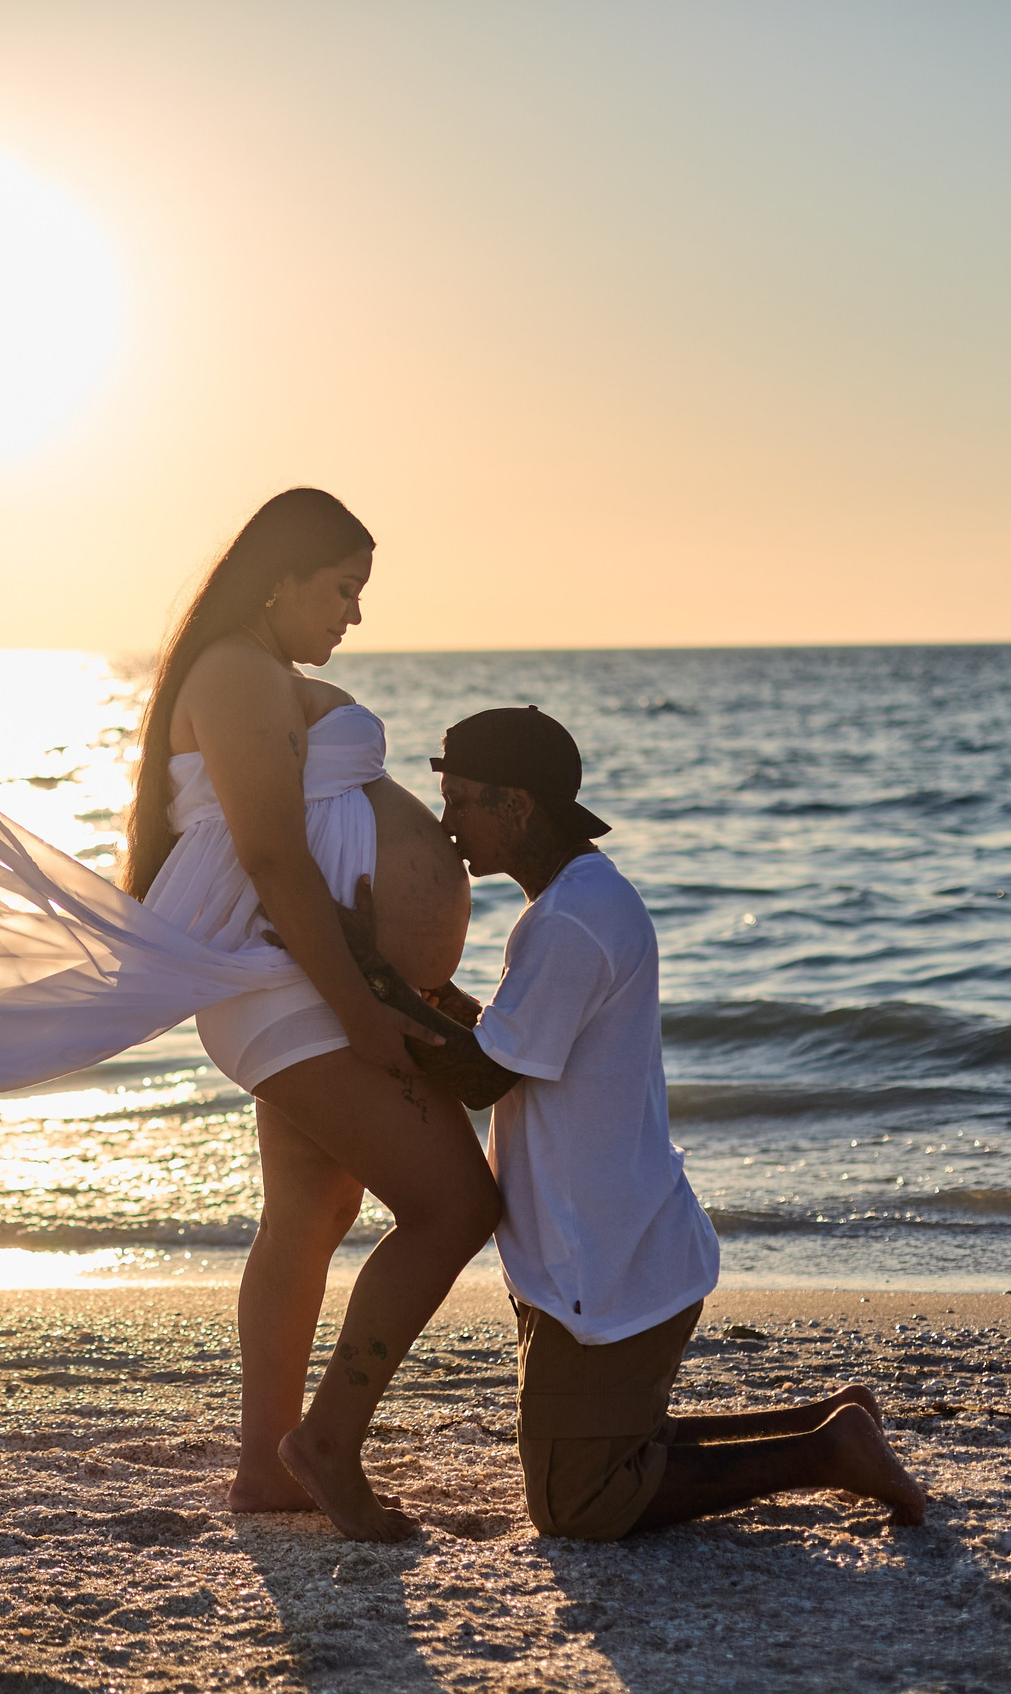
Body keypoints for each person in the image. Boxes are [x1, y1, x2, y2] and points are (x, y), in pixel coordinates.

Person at [328, 706, 927, 1537]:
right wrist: (423, 990)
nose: (447, 824)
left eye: (463, 801)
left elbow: (479, 1075)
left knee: (577, 1501)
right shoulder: (576, 900)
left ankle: (826, 1455)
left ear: (519, 807)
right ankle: (826, 1424)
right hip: (601, 1247)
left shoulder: (571, 919)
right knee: (609, 1450)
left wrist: (365, 967)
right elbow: (508, 1041)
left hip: (605, 1264)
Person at [127, 490, 500, 1542]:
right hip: (293, 992)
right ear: (276, 579)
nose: (353, 617)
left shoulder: (258, 674)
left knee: (309, 1214)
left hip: (306, 986)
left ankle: (265, 1467)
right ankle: (324, 1444)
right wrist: (365, 1011)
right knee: (454, 1208)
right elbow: (273, 854)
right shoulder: (238, 672)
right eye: (341, 590)